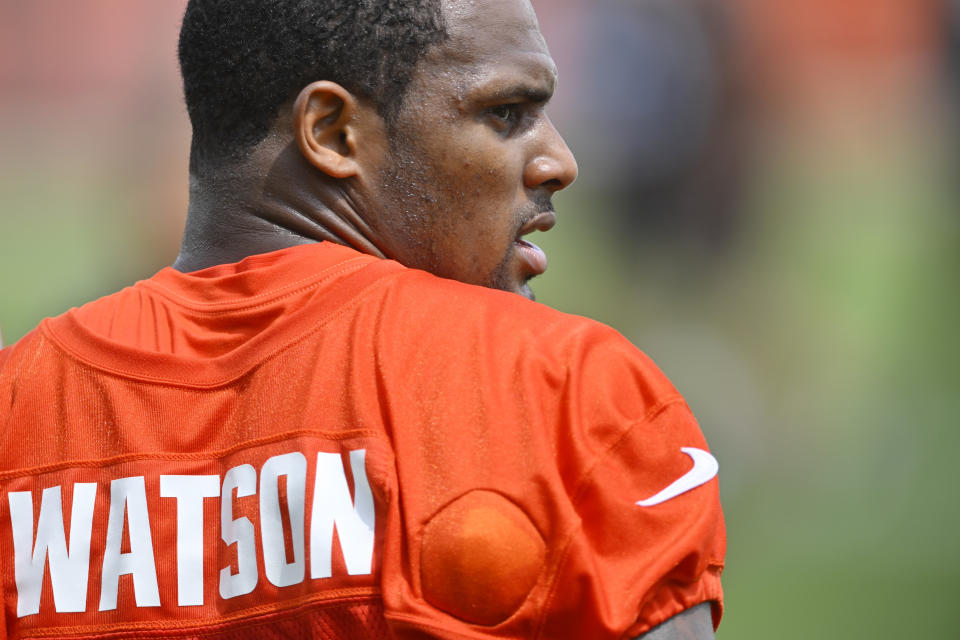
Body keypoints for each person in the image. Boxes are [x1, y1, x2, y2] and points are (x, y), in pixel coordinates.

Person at [0, 0, 725, 638]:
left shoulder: (16, 412)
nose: (558, 160)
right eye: (506, 114)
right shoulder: (566, 391)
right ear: (333, 132)